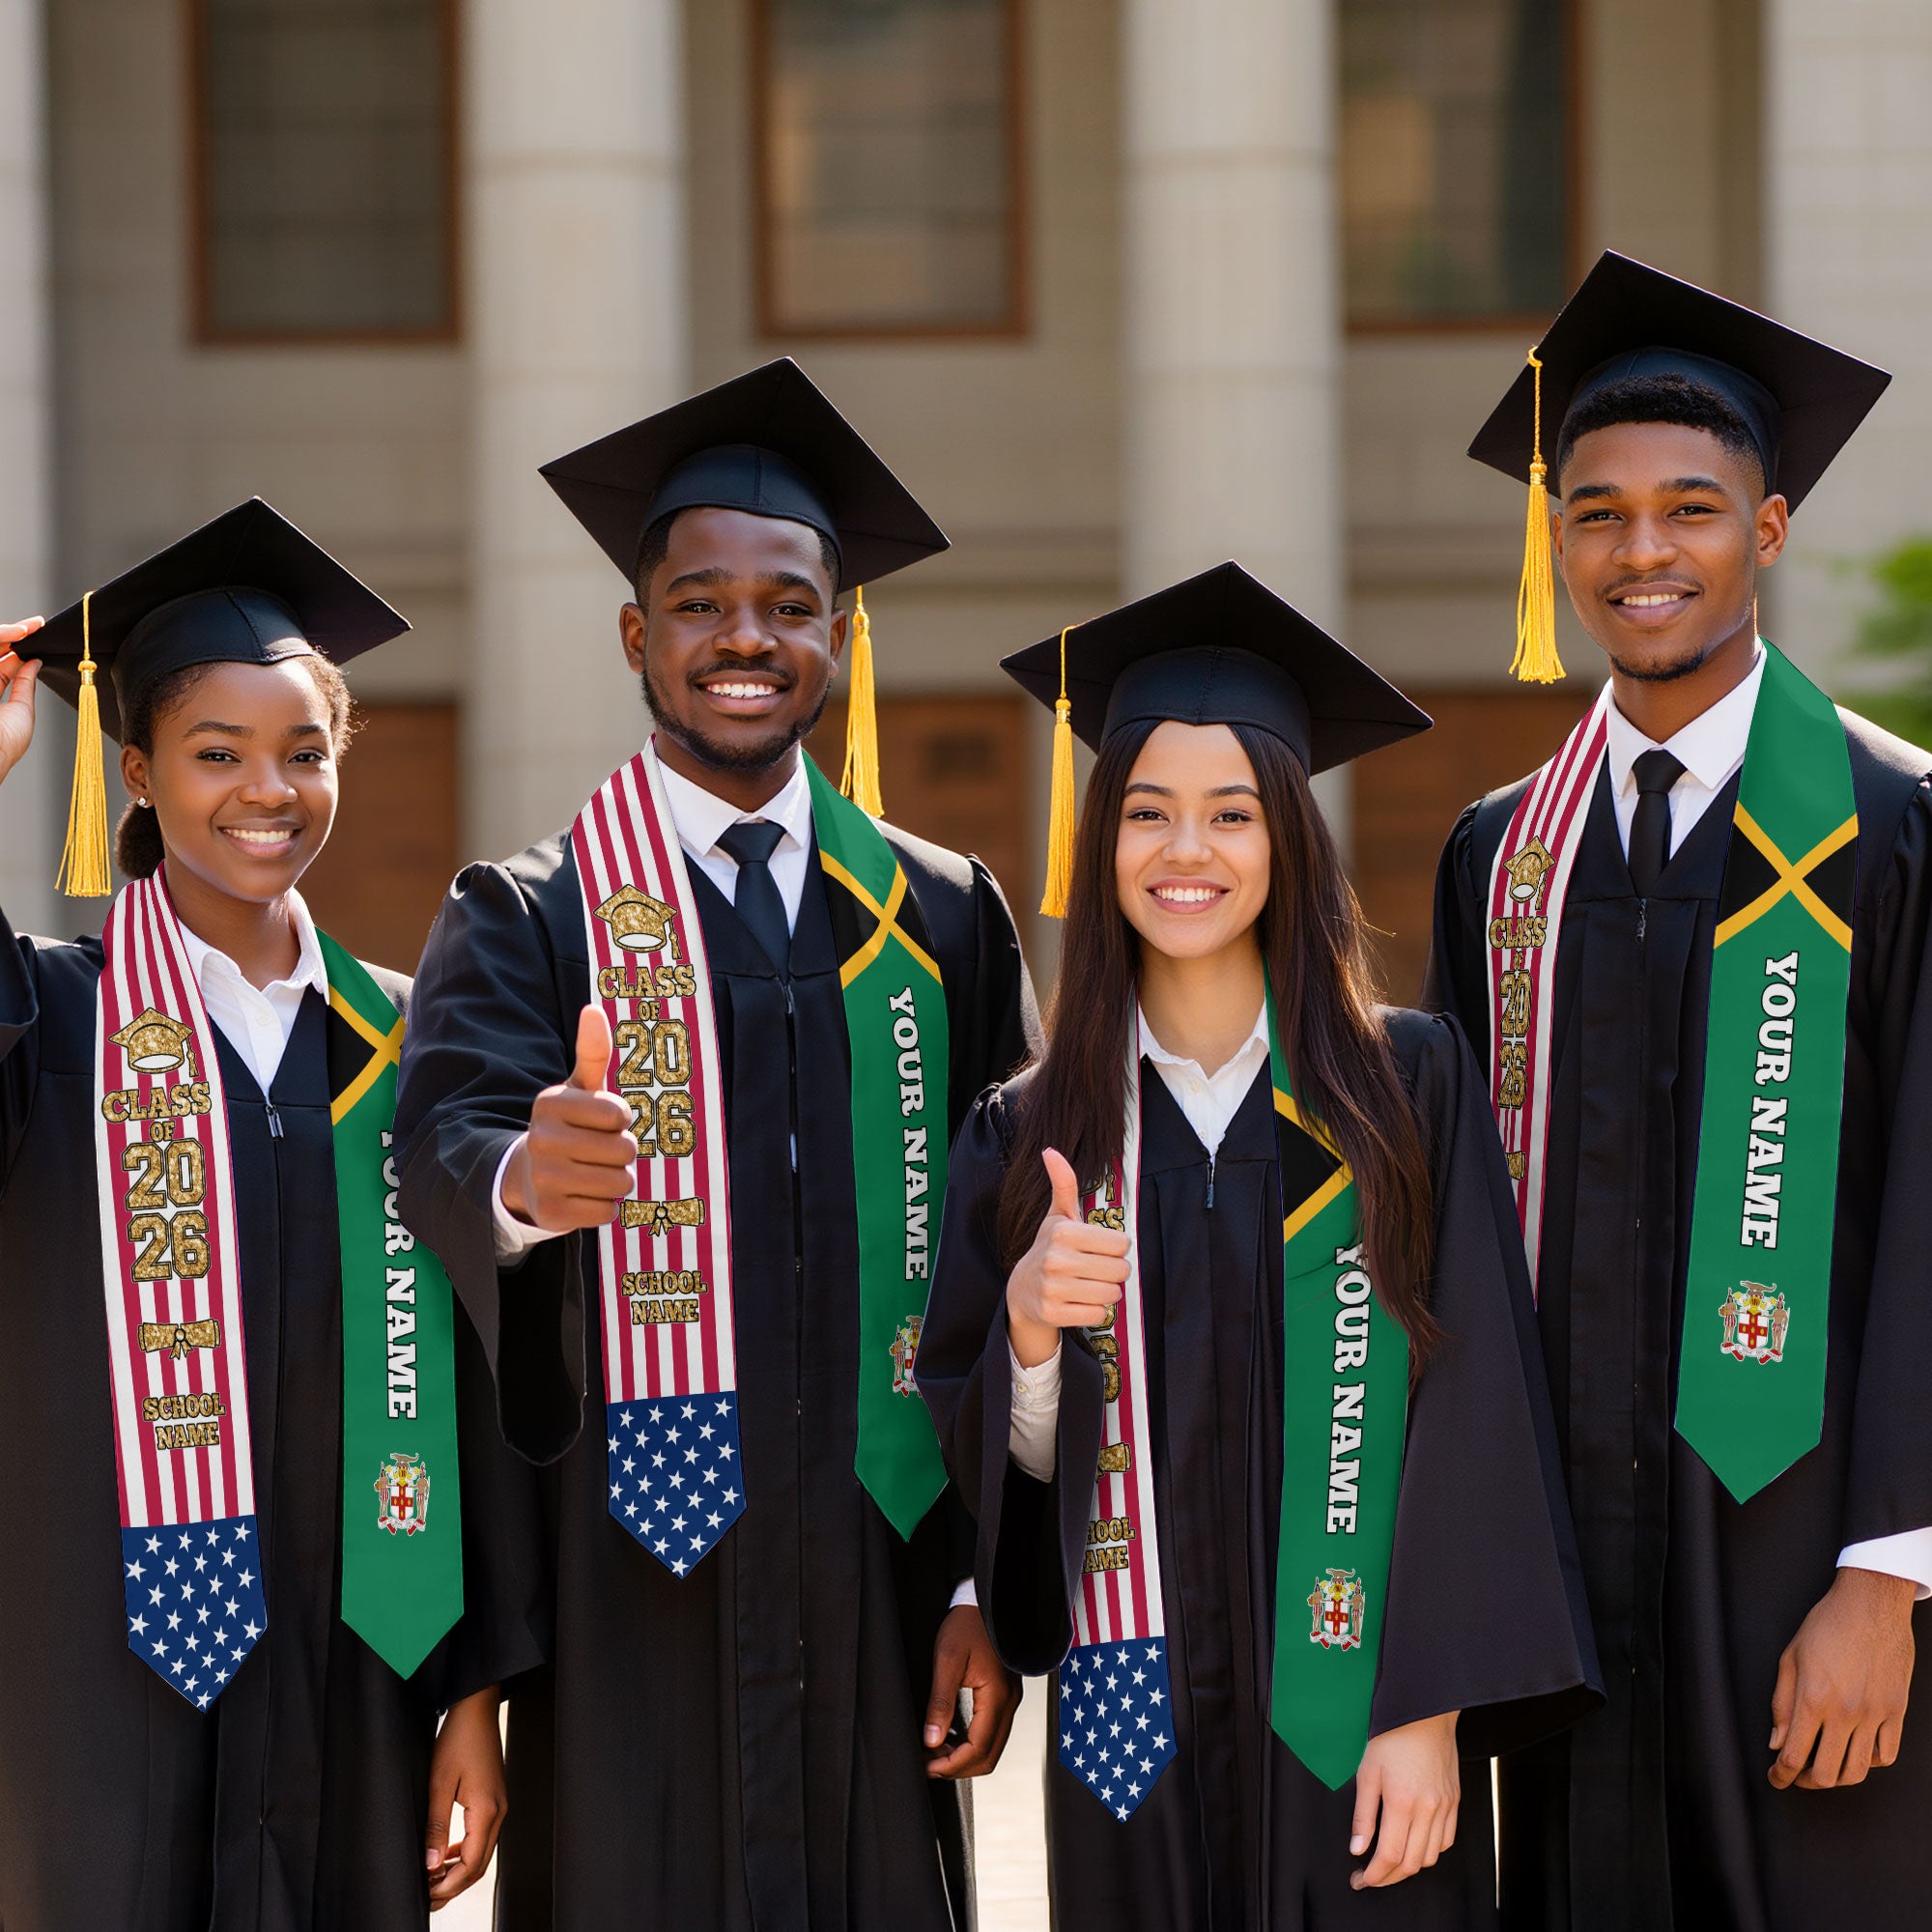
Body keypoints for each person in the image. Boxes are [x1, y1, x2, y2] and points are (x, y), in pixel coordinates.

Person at [392, 358, 1039, 1929]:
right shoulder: (531, 914)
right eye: (698, 603)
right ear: (638, 634)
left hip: (883, 1585)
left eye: (788, 603)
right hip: (631, 1594)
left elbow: (1013, 1258)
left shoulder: (938, 915)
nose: (744, 638)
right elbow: (437, 1151)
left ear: (840, 634)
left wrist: (981, 1587)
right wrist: (524, 1183)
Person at [916, 561, 1599, 1930]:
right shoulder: (1032, 1130)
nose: (1188, 853)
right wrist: (1033, 1341)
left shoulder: (1409, 1091)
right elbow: (994, 1471)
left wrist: (1428, 1708)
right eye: (1149, 814)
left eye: (1231, 814)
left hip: (1363, 1728)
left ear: (1288, 839)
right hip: (1131, 1735)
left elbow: (1477, 1412)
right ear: (1099, 841)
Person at [1427, 251, 1932, 1932]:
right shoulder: (1503, 856)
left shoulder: (1895, 824)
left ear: (1769, 531)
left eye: (1693, 508)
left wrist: (1891, 1571)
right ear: (1554, 539)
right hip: (1565, 1566)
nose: (1643, 551)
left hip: (1807, 1554)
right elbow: (1450, 1228)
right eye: (1598, 511)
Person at [0, 498, 546, 1931]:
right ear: (134, 771)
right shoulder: (55, 1020)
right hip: (93, 1677)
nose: (268, 790)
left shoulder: (412, 1042)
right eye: (216, 754)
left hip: (357, 1662)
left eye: (305, 753)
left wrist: (476, 1698)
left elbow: (482, 1385)